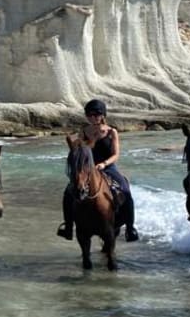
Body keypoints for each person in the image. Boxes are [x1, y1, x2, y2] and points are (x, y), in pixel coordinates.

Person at [56, 99, 140, 242]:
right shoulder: (84, 132)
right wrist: (75, 145)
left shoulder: (111, 132)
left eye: (96, 114)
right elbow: (80, 151)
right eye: (89, 115)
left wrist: (103, 164)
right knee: (69, 192)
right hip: (88, 169)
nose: (93, 117)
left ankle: (130, 228)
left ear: (103, 115)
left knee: (125, 189)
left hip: (108, 167)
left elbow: (116, 155)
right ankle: (68, 227)